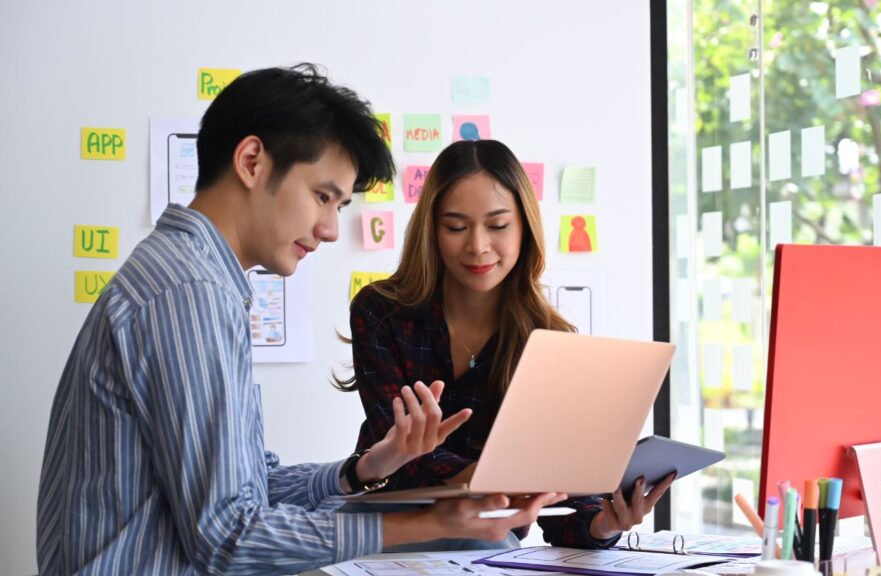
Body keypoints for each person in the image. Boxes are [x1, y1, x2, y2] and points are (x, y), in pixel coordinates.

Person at [37, 65, 562, 576]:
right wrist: (422, 522)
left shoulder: (197, 280)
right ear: (251, 162)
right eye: (322, 196)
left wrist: (363, 469)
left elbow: (251, 487)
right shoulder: (189, 293)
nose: (332, 229)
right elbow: (229, 537)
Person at [342, 139, 673, 550]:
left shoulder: (550, 339)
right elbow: (397, 452)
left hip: (488, 541)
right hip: (385, 527)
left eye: (498, 226)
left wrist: (606, 523)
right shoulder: (380, 312)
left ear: (524, 229)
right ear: (431, 229)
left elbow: (562, 511)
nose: (478, 246)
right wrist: (493, 479)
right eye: (456, 227)